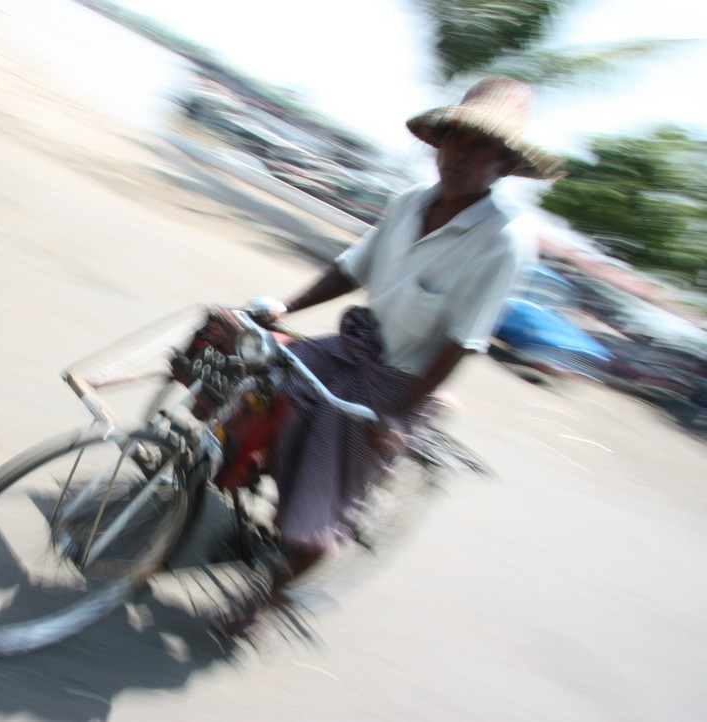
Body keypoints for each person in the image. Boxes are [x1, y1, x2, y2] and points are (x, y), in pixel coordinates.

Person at [240, 76, 563, 629]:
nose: (459, 153)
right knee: (247, 385)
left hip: (398, 384)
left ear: (505, 164)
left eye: (479, 145)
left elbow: (464, 340)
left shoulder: (504, 240)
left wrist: (401, 413)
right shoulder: (411, 201)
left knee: (316, 505)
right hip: (350, 347)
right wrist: (284, 310)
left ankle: (268, 598)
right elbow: (352, 268)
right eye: (454, 138)